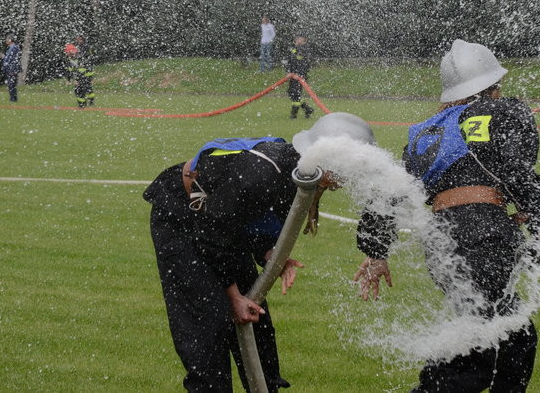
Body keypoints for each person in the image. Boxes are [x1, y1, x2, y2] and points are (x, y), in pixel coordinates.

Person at [354, 39, 540, 392]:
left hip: (442, 239)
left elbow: (391, 192)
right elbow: (519, 172)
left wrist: (376, 250)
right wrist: (537, 218)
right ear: (493, 86)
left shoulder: (425, 133)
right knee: (474, 357)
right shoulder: (505, 112)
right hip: (484, 233)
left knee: (516, 335)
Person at [144, 112, 377, 393]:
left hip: (221, 228)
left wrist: (269, 254)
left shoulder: (301, 173)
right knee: (210, 325)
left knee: (257, 323)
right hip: (184, 218)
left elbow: (250, 219)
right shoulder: (263, 173)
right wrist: (232, 297)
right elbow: (213, 234)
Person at [287, 35, 314, 119]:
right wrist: (289, 72)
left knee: (295, 93)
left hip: (300, 76)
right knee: (291, 93)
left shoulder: (305, 49)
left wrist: (299, 74)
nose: (297, 40)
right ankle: (308, 109)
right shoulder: (294, 49)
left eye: (300, 38)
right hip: (293, 75)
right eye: (297, 38)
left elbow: (304, 64)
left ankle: (293, 114)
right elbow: (290, 62)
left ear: (304, 40)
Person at [64, 36, 95, 108]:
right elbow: (69, 70)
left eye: (68, 52)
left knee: (82, 90)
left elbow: (83, 69)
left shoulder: (80, 57)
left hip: (85, 76)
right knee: (79, 90)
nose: (67, 53)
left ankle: (83, 104)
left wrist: (78, 79)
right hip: (81, 77)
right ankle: (83, 103)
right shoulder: (70, 60)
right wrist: (68, 79)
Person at [0, 34, 21, 102]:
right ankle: (13, 98)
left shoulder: (13, 47)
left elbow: (9, 59)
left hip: (12, 68)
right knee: (11, 84)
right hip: (11, 68)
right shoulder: (12, 47)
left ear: (10, 40)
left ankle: (13, 99)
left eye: (7, 39)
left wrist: (3, 57)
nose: (6, 40)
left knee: (11, 84)